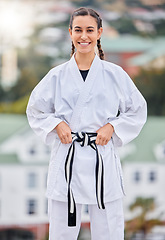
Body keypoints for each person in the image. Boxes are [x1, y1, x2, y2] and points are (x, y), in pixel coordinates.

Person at [26, 7, 147, 240]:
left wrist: (112, 127)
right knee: (62, 230)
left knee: (109, 230)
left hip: (101, 156)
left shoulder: (115, 74)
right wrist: (56, 124)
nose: (84, 36)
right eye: (78, 30)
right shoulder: (56, 76)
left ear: (99, 33)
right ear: (70, 32)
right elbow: (35, 110)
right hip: (67, 158)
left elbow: (137, 110)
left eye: (90, 30)